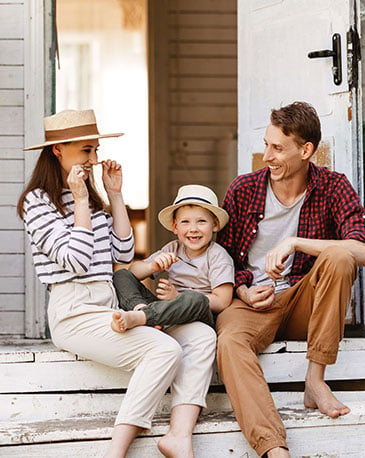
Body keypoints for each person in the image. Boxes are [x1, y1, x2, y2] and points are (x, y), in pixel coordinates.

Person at [17, 109, 217, 458]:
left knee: (202, 335)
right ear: (57, 150)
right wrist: (80, 200)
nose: (94, 160)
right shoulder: (37, 202)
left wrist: (115, 195)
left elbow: (122, 252)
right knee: (165, 349)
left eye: (95, 150)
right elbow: (76, 261)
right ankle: (116, 452)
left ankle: (179, 434)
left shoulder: (91, 199)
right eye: (85, 151)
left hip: (109, 304)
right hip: (74, 311)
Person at [216, 101, 365, 458]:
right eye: (266, 144)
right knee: (228, 343)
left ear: (306, 151)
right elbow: (221, 257)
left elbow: (364, 251)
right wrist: (242, 288)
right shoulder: (243, 189)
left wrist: (295, 242)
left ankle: (315, 380)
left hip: (304, 302)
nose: (267, 155)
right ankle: (274, 448)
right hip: (251, 304)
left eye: (277, 148)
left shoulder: (333, 186)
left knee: (339, 255)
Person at [111, 184, 234, 332]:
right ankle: (141, 310)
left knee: (195, 298)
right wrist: (153, 266)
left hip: (198, 313)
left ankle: (144, 317)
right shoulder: (173, 249)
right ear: (175, 227)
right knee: (121, 276)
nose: (193, 229)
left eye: (201, 221)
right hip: (165, 310)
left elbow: (222, 300)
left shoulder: (218, 256)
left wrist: (177, 297)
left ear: (215, 225)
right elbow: (133, 271)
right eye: (185, 222)